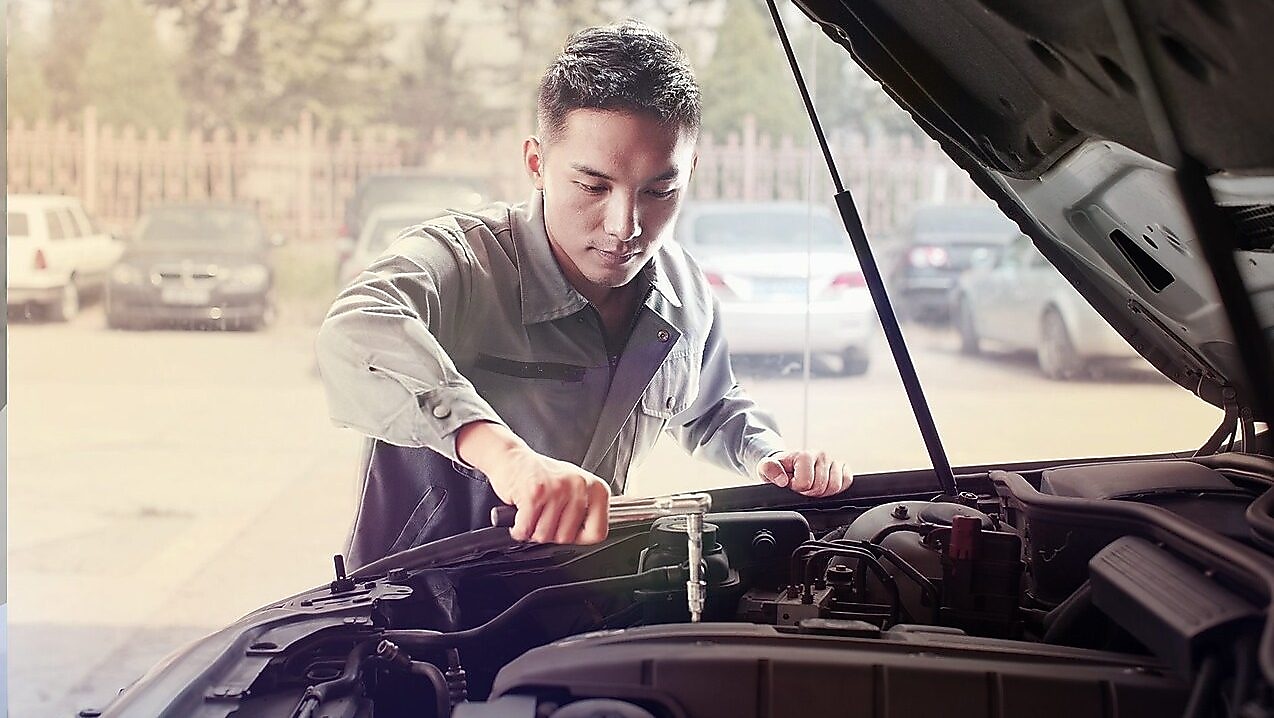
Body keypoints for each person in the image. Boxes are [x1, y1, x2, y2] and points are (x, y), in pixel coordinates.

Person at [316, 20, 852, 570]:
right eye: (594, 186)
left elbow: (710, 408)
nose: (626, 225)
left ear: (691, 169)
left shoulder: (684, 293)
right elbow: (357, 330)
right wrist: (506, 458)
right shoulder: (462, 262)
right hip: (414, 621)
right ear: (536, 164)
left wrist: (772, 456)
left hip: (575, 606)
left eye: (659, 191)